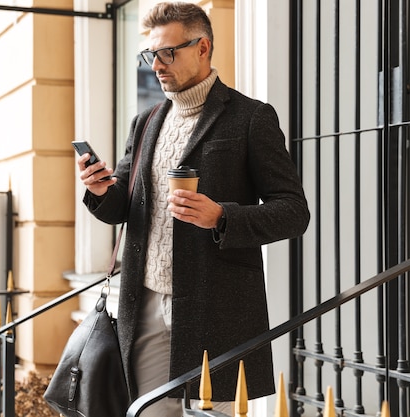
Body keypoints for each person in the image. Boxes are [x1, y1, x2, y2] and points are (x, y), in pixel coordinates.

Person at [77, 2, 310, 415]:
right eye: (151, 55)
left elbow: (293, 212)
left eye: (168, 53)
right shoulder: (145, 122)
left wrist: (221, 216)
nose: (157, 65)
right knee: (147, 412)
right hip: (144, 302)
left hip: (215, 307)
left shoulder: (251, 117)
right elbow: (123, 209)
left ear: (202, 48)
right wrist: (100, 189)